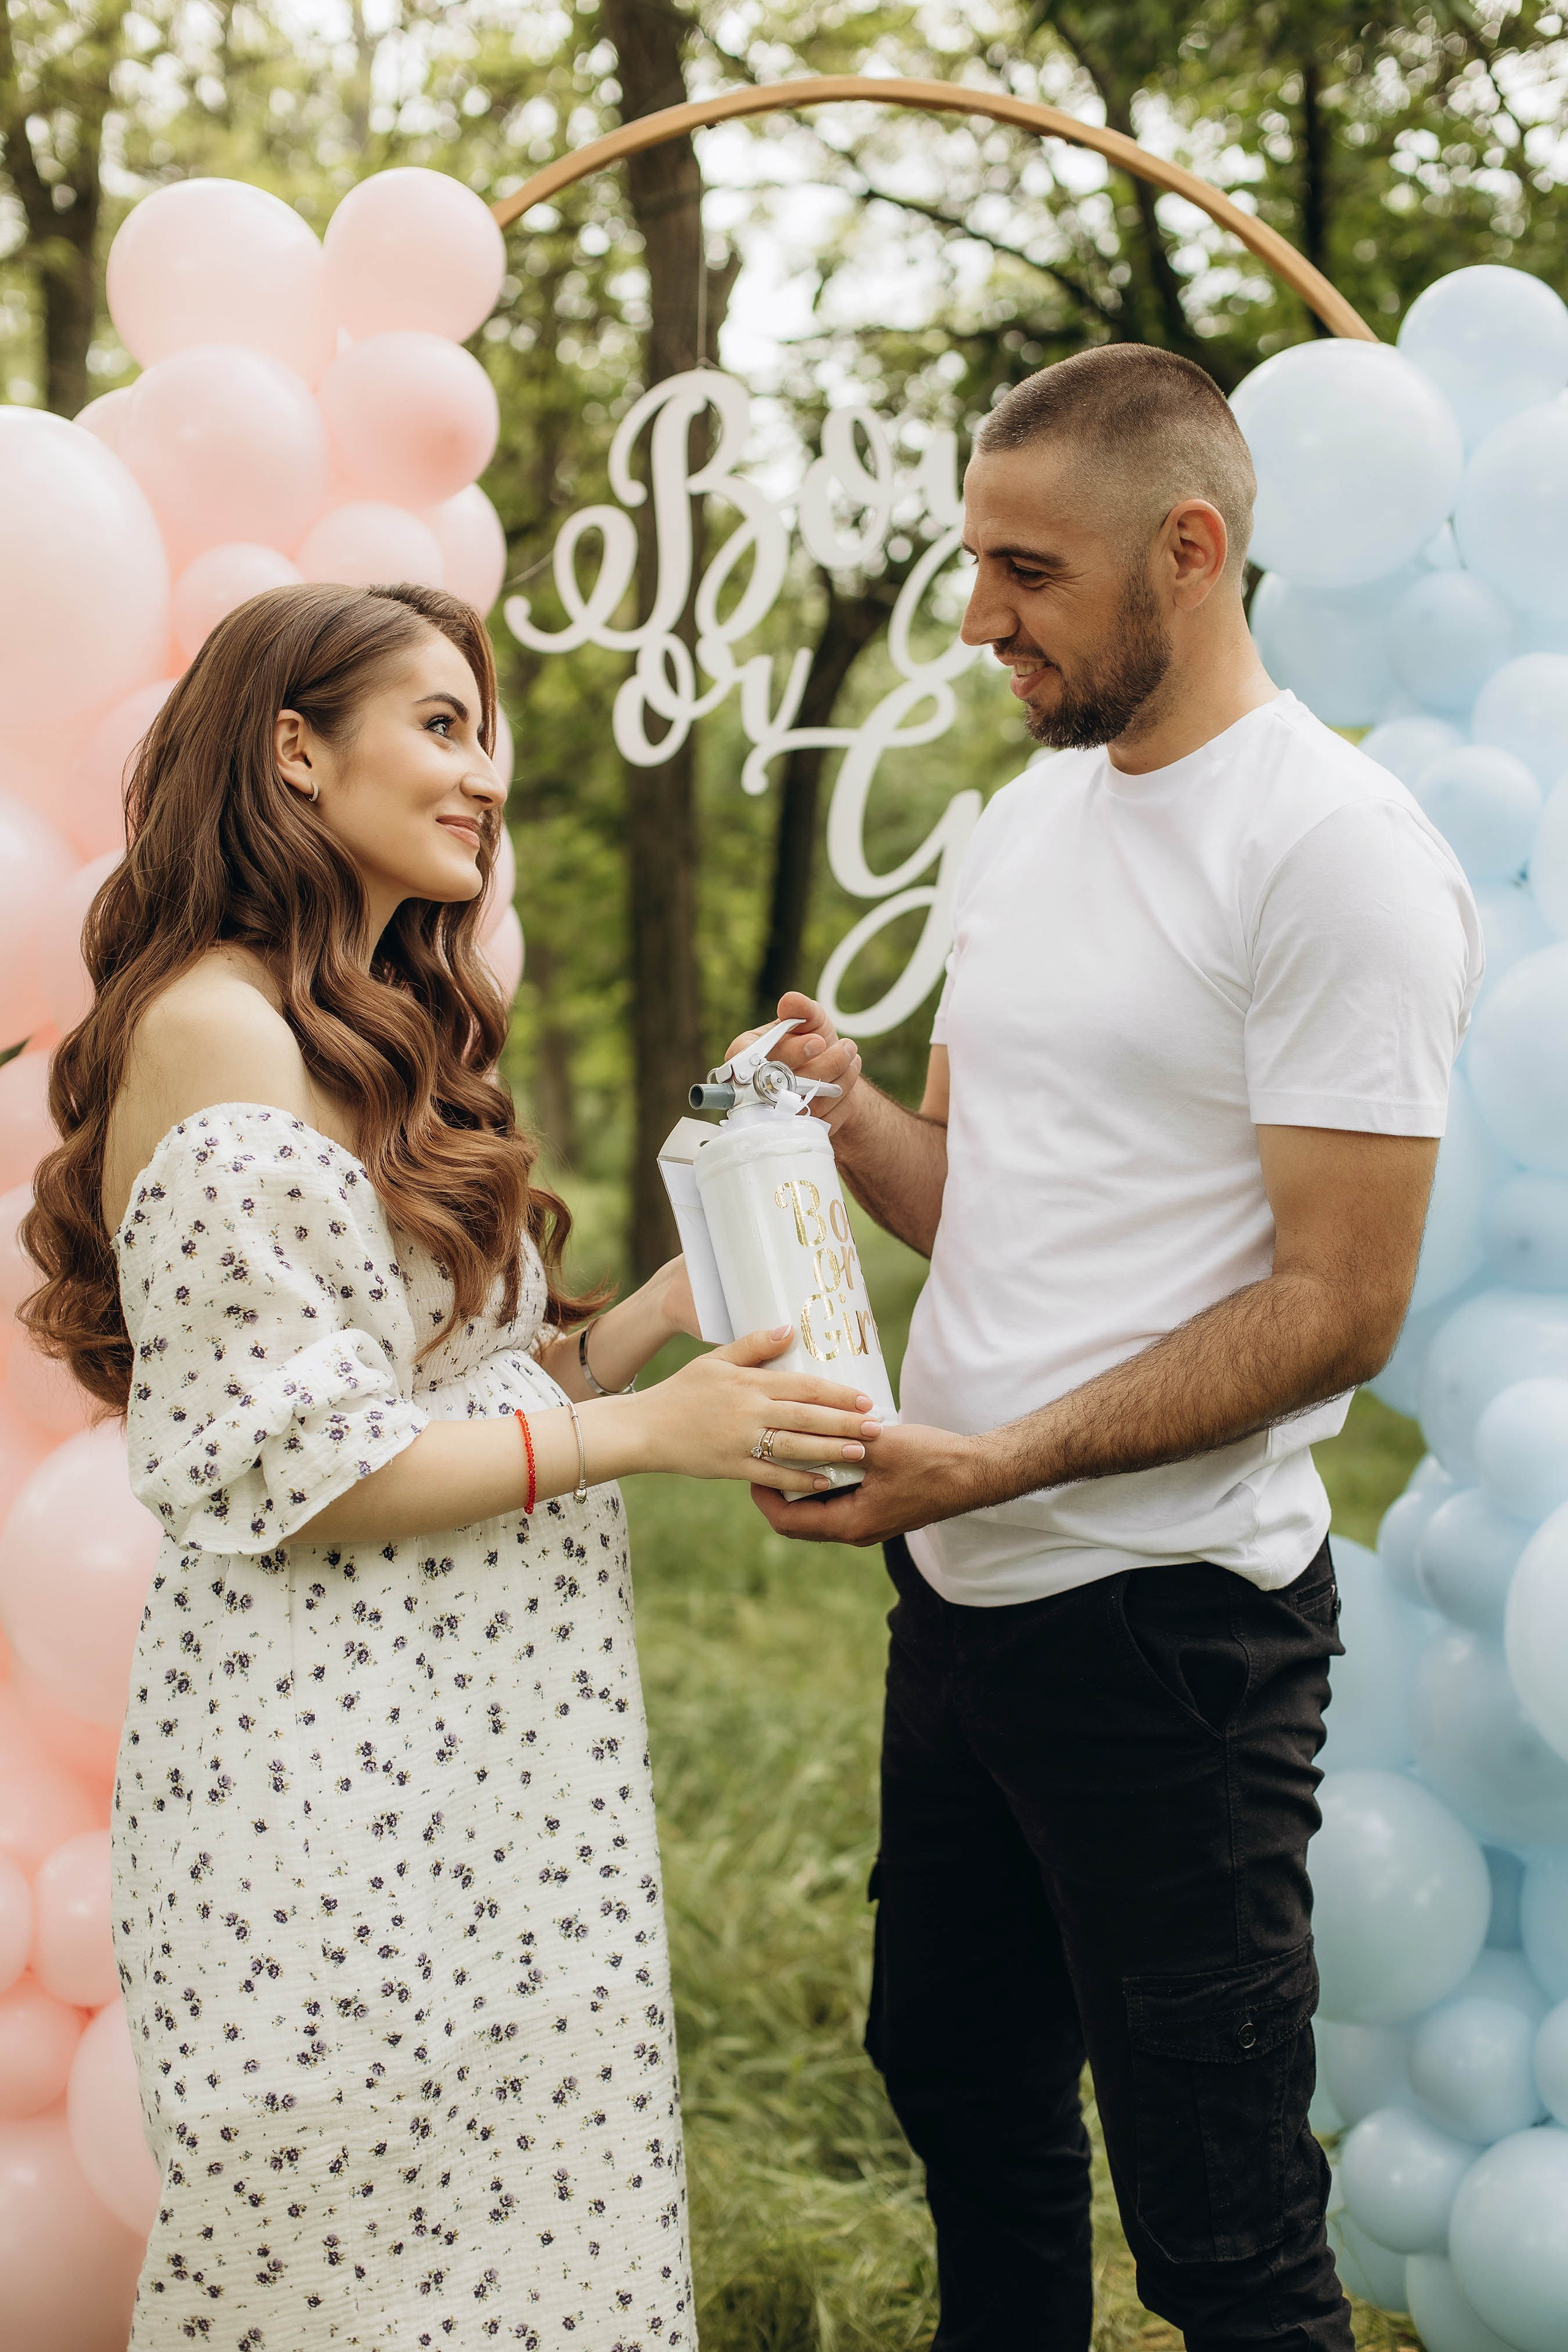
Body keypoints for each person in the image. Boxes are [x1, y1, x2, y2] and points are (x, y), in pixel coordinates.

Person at [21, 579, 883, 2349]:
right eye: (440, 726)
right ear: (294, 752)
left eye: (485, 733)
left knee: (523, 2251)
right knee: (355, 2273)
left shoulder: (366, 1022)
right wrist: (644, 1437)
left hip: (490, 1771)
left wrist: (658, 1315)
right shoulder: (214, 1024)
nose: (486, 774)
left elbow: (440, 1396)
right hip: (322, 1779)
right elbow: (311, 1465)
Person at [743, 345, 1482, 2350]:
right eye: (975, 563)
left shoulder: (1334, 852)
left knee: (1222, 2236)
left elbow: (1339, 1304)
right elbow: (980, 1197)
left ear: (1191, 550)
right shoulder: (1023, 822)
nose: (980, 618)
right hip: (959, 1605)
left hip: (1172, 1640)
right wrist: (848, 1112)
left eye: (1028, 572)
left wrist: (992, 1461)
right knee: (959, 2084)